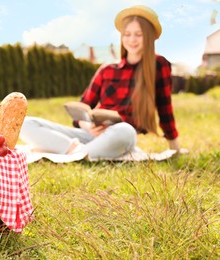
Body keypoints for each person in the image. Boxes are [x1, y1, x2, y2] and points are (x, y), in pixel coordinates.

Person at [19, 5, 182, 160]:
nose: (132, 39)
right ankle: (74, 152)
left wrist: (175, 147)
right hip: (90, 135)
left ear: (148, 36)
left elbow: (164, 107)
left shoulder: (158, 64)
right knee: (25, 123)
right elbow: (83, 107)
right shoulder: (107, 70)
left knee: (126, 131)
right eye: (127, 34)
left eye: (138, 34)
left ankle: (68, 152)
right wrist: (87, 125)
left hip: (119, 135)